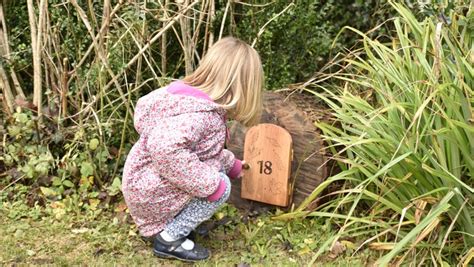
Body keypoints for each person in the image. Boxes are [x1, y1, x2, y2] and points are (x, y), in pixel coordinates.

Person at [122, 36, 264, 262]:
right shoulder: (200, 117)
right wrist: (210, 184)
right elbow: (165, 149)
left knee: (210, 178)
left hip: (145, 184)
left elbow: (204, 154)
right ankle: (169, 238)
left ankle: (171, 226)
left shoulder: (195, 104)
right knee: (219, 186)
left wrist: (231, 164)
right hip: (149, 190)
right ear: (240, 87)